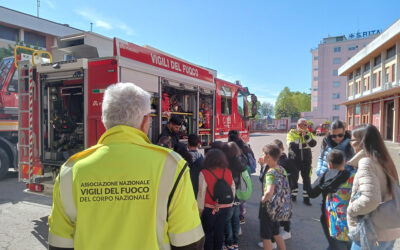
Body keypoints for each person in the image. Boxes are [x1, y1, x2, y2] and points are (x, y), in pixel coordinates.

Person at [48, 83, 204, 250]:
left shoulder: (70, 171)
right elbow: (189, 242)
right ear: (146, 121)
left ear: (104, 120)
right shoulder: (172, 166)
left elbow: (59, 244)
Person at [347, 124, 400, 250]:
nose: (350, 144)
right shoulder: (384, 160)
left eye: (352, 140)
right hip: (388, 230)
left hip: (372, 233)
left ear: (360, 142)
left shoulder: (366, 162)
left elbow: (370, 199)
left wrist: (351, 210)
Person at [309, 149, 354, 250]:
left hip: (331, 219)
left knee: (336, 245)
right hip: (351, 219)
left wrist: (306, 178)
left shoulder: (325, 176)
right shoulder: (353, 176)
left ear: (329, 164)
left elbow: (312, 193)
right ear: (344, 161)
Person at [197, 149, 235, 250]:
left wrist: (199, 210)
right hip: (225, 207)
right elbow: (232, 189)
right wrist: (230, 203)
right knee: (220, 231)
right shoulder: (227, 172)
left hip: (209, 208)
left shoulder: (204, 173)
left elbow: (201, 193)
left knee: (208, 232)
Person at [259, 144, 287, 250]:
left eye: (263, 154)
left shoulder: (271, 173)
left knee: (266, 237)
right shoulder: (281, 169)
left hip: (268, 208)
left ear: (268, 157)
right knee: (276, 233)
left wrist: (263, 199)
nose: (262, 156)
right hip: (278, 206)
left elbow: (269, 192)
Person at [222, 142, 248, 250]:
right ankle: (235, 243)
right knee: (236, 219)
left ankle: (229, 243)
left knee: (227, 219)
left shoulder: (225, 162)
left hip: (228, 195)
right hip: (237, 194)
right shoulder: (240, 162)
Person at [286, 118, 317, 205]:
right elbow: (291, 146)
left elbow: (313, 144)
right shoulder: (291, 133)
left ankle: (306, 199)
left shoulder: (309, 134)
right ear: (297, 125)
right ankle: (293, 196)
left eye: (305, 125)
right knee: (293, 179)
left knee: (307, 180)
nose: (302, 127)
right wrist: (305, 144)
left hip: (306, 161)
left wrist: (306, 137)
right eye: (300, 125)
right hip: (294, 161)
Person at [272, 139, 296, 240]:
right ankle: (282, 226)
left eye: (278, 149)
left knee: (285, 210)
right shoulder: (275, 160)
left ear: (282, 149)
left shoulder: (287, 161)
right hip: (278, 190)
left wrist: (286, 178)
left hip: (285, 190)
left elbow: (294, 174)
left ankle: (287, 231)